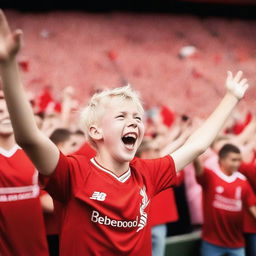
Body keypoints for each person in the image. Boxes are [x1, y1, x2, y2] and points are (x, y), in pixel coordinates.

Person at [0, 10, 250, 255]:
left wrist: (231, 98)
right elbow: (28, 137)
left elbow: (197, 146)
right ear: (95, 131)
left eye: (137, 118)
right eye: (121, 116)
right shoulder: (73, 172)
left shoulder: (146, 173)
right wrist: (9, 66)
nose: (133, 123)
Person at [0, 91, 49, 256]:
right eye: (0, 112)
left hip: (36, 249)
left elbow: (46, 199)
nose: (6, 116)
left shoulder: (37, 154)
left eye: (10, 110)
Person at [194, 144, 256, 256]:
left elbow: (252, 207)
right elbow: (198, 167)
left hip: (236, 243)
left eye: (239, 160)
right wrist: (194, 149)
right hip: (212, 242)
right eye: (233, 160)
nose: (237, 163)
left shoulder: (243, 181)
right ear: (221, 159)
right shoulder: (211, 176)